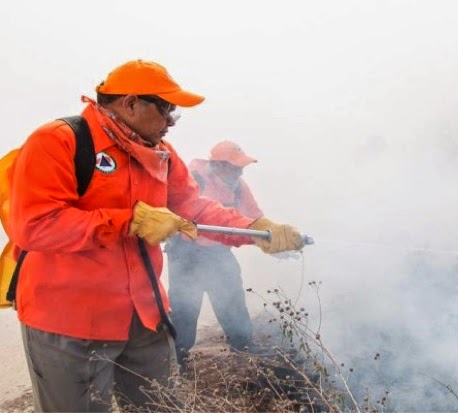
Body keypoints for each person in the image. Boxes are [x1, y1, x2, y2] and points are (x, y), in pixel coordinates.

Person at [8, 59, 304, 413]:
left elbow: (192, 207)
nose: (171, 122)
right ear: (131, 103)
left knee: (160, 406)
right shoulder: (58, 141)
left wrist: (255, 231)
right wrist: (129, 221)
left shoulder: (163, 154)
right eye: (167, 110)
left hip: (143, 314)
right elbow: (35, 225)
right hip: (70, 321)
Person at [167, 140, 265, 368]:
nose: (240, 171)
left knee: (233, 302)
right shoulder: (193, 180)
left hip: (219, 253)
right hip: (186, 255)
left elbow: (255, 218)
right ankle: (176, 363)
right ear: (218, 165)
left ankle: (245, 353)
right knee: (184, 310)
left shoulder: (238, 186)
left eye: (241, 167)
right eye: (234, 166)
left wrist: (271, 240)